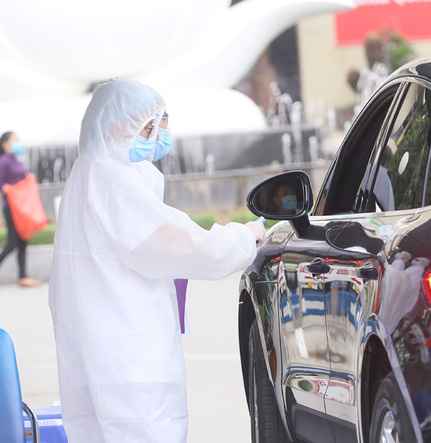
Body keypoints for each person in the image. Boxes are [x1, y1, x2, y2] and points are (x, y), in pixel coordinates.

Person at [48, 78, 265, 443]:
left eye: (161, 123)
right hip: (129, 353)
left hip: (104, 347)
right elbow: (175, 244)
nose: (158, 135)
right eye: (148, 127)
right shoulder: (112, 178)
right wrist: (244, 237)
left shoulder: (88, 173)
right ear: (115, 126)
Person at [0, 131, 42, 287]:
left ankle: (23, 277)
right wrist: (8, 189)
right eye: (15, 140)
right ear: (5, 144)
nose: (18, 142)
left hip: (21, 209)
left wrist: (27, 178)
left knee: (23, 240)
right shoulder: (3, 161)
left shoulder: (15, 160)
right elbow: (2, 184)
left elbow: (20, 178)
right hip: (11, 208)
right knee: (11, 244)